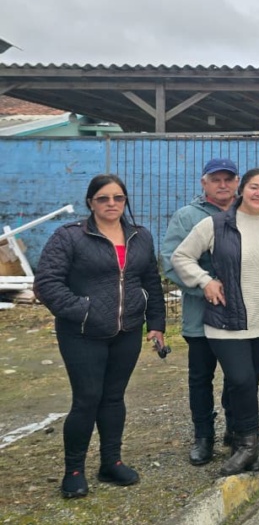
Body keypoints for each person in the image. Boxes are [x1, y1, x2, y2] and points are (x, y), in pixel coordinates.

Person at [34, 174, 166, 499]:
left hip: (128, 331)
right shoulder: (70, 237)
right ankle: (74, 471)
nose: (111, 204)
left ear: (125, 201)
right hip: (82, 334)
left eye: (118, 198)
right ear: (90, 202)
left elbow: (151, 281)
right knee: (87, 399)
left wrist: (156, 323)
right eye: (103, 198)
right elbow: (47, 284)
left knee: (114, 398)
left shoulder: (140, 236)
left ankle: (111, 462)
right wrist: (85, 311)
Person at [172, 168, 259, 476]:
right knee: (241, 380)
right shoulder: (216, 224)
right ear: (243, 189)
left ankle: (245, 442)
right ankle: (247, 446)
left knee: (247, 384)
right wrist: (205, 282)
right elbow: (180, 256)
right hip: (226, 321)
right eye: (254, 187)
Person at [161, 158, 240, 466]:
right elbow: (170, 260)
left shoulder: (247, 213)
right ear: (203, 183)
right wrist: (204, 285)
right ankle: (203, 436)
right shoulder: (187, 217)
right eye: (215, 179)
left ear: (236, 182)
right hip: (201, 316)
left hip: (240, 316)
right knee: (200, 378)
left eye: (228, 179)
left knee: (239, 377)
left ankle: (236, 430)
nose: (223, 184)